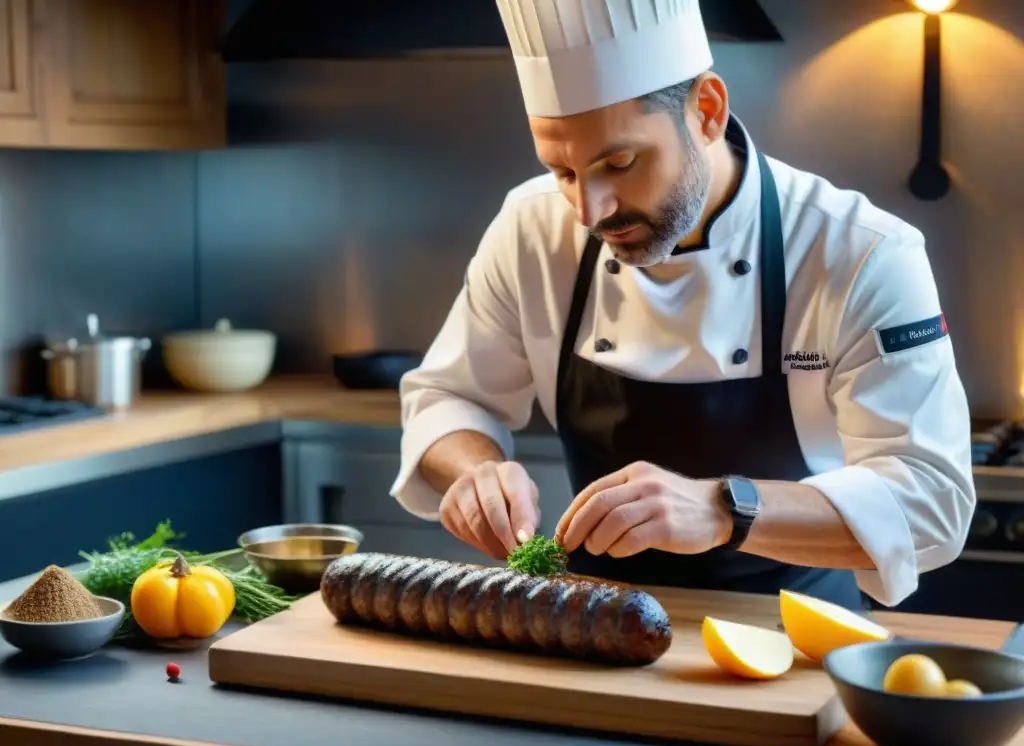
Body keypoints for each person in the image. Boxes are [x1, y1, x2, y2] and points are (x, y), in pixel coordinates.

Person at [388, 0, 975, 610]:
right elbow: (448, 397)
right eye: (562, 171)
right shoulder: (531, 228)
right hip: (591, 623)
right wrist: (474, 472)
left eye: (620, 162)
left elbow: (931, 501)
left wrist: (725, 509)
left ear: (707, 111)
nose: (591, 212)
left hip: (792, 632)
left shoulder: (860, 253)